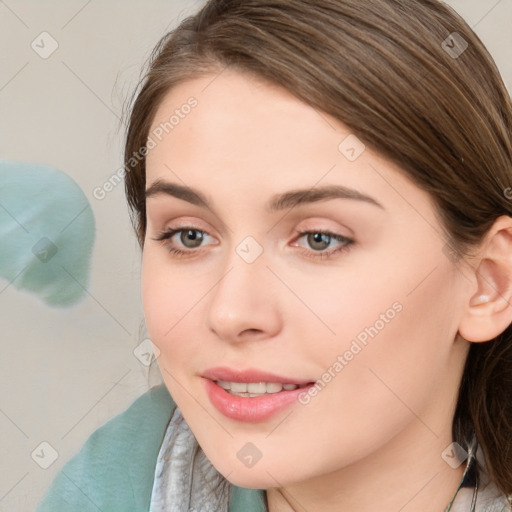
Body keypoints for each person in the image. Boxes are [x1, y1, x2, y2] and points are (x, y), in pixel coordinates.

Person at [35, 0, 512, 510]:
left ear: (489, 284)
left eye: (319, 239)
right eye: (190, 235)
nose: (231, 313)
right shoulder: (110, 486)